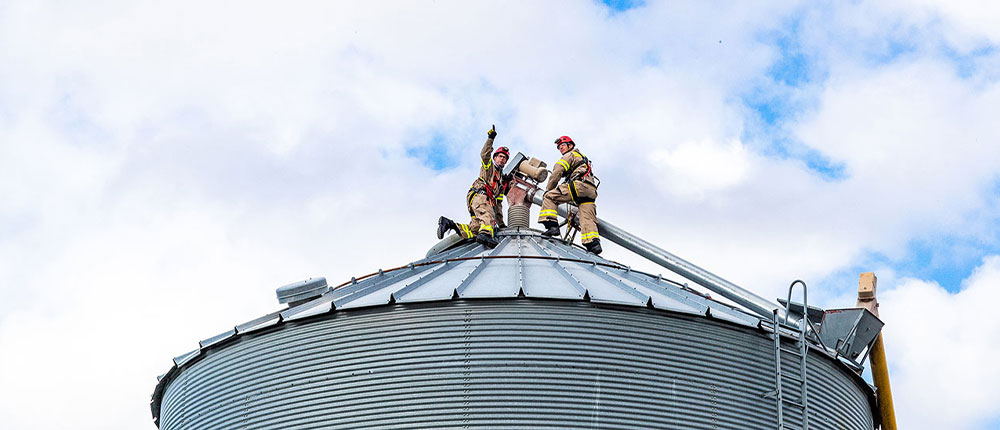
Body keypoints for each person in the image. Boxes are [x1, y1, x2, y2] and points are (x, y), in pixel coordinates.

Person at [436, 125, 510, 248]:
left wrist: (501, 224)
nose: (502, 159)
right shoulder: (489, 167)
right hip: (481, 195)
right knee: (488, 217)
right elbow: (484, 154)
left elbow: (499, 204)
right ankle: (486, 235)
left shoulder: (500, 182)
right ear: (495, 157)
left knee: (475, 229)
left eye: (505, 158)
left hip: (480, 199)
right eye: (500, 156)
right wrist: (490, 139)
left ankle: (449, 224)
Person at [538, 135, 601, 254]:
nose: (560, 149)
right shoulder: (582, 157)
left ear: (570, 146)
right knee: (587, 217)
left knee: (549, 196)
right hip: (590, 190)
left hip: (578, 186)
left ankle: (552, 225)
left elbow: (557, 171)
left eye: (562, 146)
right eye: (559, 147)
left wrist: (548, 189)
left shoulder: (569, 155)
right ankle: (593, 244)